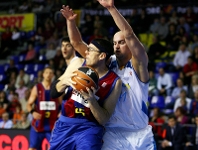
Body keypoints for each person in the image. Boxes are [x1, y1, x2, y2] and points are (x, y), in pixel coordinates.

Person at [60, 0, 156, 149]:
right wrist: (71, 22)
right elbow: (77, 43)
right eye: (114, 43)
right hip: (112, 134)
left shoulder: (138, 65)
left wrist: (111, 8)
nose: (117, 46)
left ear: (129, 45)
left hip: (140, 134)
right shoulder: (106, 62)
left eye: (121, 42)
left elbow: (129, 34)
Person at [49, 38, 122, 149]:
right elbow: (53, 92)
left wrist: (92, 100)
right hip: (65, 124)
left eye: (90, 50)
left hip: (89, 128)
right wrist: (65, 81)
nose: (86, 52)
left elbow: (104, 119)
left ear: (102, 56)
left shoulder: (114, 81)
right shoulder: (78, 64)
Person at [27, 67, 60, 150]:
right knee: (32, 148)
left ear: (53, 75)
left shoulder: (56, 88)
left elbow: (62, 104)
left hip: (52, 125)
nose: (48, 74)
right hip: (38, 124)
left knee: (57, 148)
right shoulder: (37, 87)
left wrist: (61, 112)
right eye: (46, 72)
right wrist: (32, 112)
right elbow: (29, 104)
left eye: (50, 73)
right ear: (43, 74)